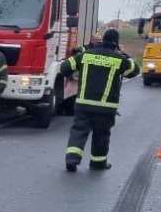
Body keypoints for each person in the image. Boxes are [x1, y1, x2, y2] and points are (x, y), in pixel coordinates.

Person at [60, 28, 140, 172]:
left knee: (78, 131)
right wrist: (124, 54)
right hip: (106, 107)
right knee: (101, 134)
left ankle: (72, 159)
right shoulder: (119, 59)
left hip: (83, 104)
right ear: (116, 43)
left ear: (102, 40)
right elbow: (134, 71)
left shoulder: (86, 55)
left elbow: (64, 68)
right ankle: (98, 163)